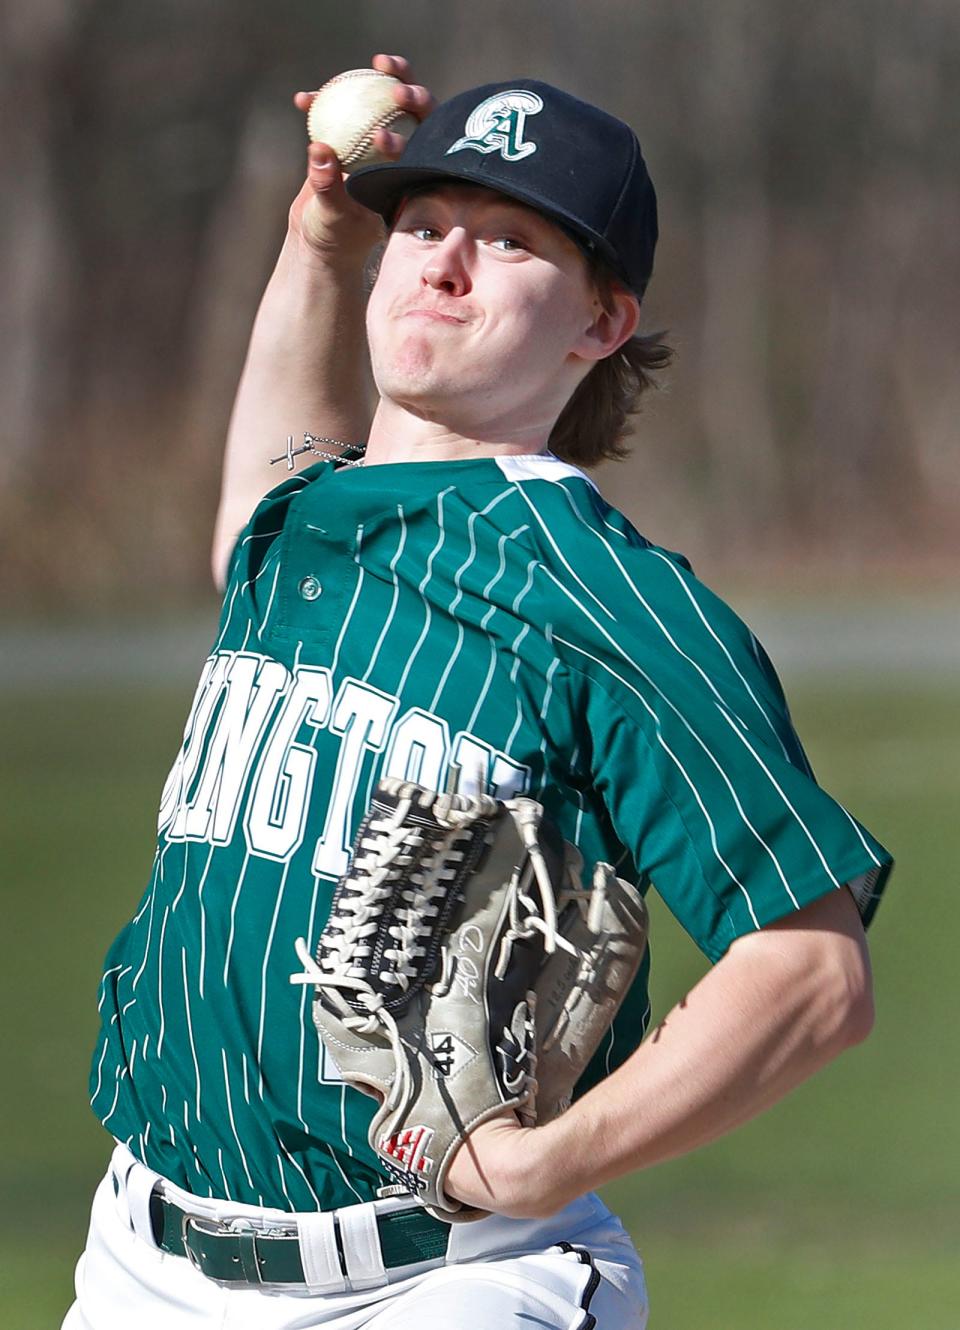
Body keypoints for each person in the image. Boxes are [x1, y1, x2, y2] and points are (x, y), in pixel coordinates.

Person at [64, 54, 893, 1329]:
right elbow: (262, 480)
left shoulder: (620, 607)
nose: (444, 262)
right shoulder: (306, 524)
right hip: (138, 1262)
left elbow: (810, 971)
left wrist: (540, 1165)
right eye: (426, 225)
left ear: (601, 322)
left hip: (436, 1282)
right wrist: (321, 234)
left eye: (506, 242)